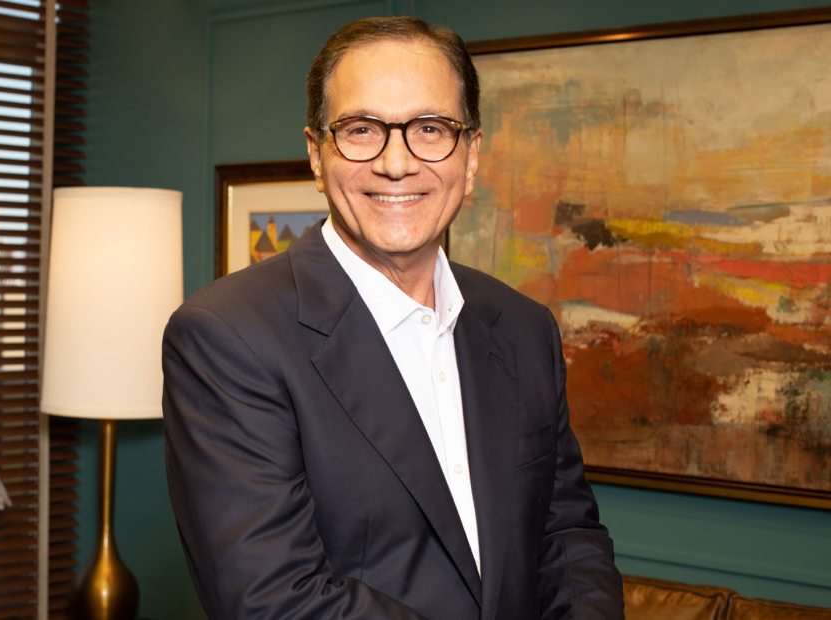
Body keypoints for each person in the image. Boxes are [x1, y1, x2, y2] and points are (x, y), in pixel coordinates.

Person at [163, 16, 624, 619]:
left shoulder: (523, 328)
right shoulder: (228, 337)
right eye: (362, 130)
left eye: (430, 128)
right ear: (316, 154)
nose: (397, 163)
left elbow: (568, 538)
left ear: (472, 155)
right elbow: (275, 602)